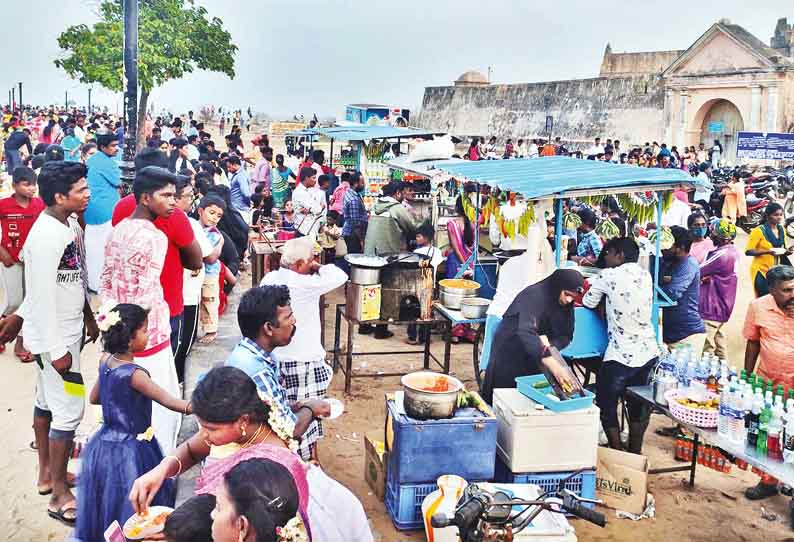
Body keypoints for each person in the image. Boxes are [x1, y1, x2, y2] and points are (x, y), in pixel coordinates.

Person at [128, 366, 373, 542]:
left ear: (242, 421)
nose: (203, 435)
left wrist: (177, 533)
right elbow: (192, 449)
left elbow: (229, 528)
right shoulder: (245, 425)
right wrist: (161, 470)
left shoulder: (268, 468)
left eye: (211, 428)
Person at [0, 161, 97, 526]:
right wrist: (57, 352)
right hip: (57, 341)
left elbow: (68, 280)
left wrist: (88, 313)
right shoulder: (45, 237)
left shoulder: (67, 224)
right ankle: (59, 494)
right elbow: (38, 295)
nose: (88, 194)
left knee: (46, 401)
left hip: (69, 330)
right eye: (81, 190)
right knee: (69, 410)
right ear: (59, 196)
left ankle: (46, 475)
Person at [75, 303, 190, 542]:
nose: (148, 336)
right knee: (135, 505)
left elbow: (95, 397)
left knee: (108, 501)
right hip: (132, 449)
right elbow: (167, 400)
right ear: (129, 339)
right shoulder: (135, 374)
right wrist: (195, 407)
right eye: (145, 331)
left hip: (104, 443)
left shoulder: (106, 361)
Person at [102, 165, 182, 455]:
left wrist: (112, 330)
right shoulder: (155, 237)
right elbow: (146, 294)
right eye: (167, 195)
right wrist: (140, 331)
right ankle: (159, 470)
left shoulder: (118, 229)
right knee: (160, 409)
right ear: (146, 198)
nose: (173, 202)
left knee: (128, 407)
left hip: (121, 333)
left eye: (175, 196)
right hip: (149, 336)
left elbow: (106, 283)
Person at [260, 238, 347, 460]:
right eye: (310, 260)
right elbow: (340, 275)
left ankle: (300, 458)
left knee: (284, 411)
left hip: (277, 357)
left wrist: (310, 263)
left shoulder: (270, 278)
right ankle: (305, 462)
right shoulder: (305, 283)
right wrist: (317, 267)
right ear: (299, 264)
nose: (313, 264)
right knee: (307, 413)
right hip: (302, 360)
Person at [113, 148, 203, 357]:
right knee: (162, 366)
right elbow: (195, 261)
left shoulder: (120, 208)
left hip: (130, 304)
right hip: (166, 304)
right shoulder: (174, 214)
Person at [583, 237, 660, 453]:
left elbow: (589, 301)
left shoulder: (608, 275)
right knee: (638, 405)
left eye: (608, 253)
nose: (605, 258)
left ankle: (617, 450)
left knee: (606, 403)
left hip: (621, 354)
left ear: (620, 255)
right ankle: (635, 452)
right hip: (648, 351)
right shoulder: (645, 274)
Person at [481, 269, 584, 404]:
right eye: (566, 294)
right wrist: (550, 361)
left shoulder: (566, 305)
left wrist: (550, 345)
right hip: (510, 347)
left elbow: (566, 336)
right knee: (504, 397)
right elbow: (525, 331)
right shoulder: (533, 295)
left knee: (528, 399)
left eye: (573, 297)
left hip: (536, 353)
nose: (568, 300)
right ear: (557, 287)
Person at [743, 265, 794, 500]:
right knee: (770, 435)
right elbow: (753, 342)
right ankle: (768, 481)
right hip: (769, 385)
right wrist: (748, 377)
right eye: (786, 290)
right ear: (771, 290)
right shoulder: (758, 307)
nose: (793, 294)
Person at [0, 166, 45, 362]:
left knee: (30, 302)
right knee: (14, 301)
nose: (32, 188)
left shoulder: (39, 205)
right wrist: (2, 253)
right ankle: (3, 332)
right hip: (10, 259)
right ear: (15, 185)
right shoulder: (3, 205)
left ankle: (21, 343)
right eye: (27, 184)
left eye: (34, 184)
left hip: (34, 260)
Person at [174, 178, 213, 384]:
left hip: (174, 291)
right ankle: (178, 380)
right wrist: (220, 241)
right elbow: (209, 256)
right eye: (189, 196)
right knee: (184, 341)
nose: (193, 199)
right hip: (187, 292)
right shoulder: (188, 223)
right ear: (175, 198)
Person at [84, 133, 121, 293]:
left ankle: (93, 284)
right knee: (105, 250)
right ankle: (102, 286)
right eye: (113, 146)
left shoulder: (92, 160)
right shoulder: (109, 164)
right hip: (107, 209)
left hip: (91, 208)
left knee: (93, 250)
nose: (116, 148)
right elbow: (120, 181)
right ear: (103, 147)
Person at [659, 225, 706, 351]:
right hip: (670, 335)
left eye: (667, 246)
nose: (662, 249)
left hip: (687, 336)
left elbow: (671, 293)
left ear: (681, 248)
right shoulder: (666, 262)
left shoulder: (689, 265)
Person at [699, 219, 739, 358]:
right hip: (724, 305)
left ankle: (708, 375)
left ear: (719, 237)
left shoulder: (721, 255)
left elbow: (698, 270)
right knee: (719, 341)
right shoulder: (732, 251)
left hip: (713, 305)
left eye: (712, 234)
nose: (710, 236)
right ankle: (723, 372)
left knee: (707, 345)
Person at [407, 222, 443, 345]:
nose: (416, 238)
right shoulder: (437, 251)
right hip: (429, 285)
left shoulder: (417, 252)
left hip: (417, 285)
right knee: (426, 312)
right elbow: (439, 266)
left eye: (419, 236)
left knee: (413, 311)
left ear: (426, 238)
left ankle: (412, 337)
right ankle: (424, 338)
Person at [746, 202, 792, 297]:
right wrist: (768, 252)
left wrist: (788, 251)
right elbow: (748, 251)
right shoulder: (758, 231)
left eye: (780, 215)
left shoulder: (781, 229)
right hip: (761, 271)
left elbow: (782, 249)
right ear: (768, 216)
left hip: (776, 272)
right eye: (775, 215)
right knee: (763, 299)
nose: (779, 217)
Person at [197, 195, 226, 345]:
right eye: (212, 213)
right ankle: (204, 326)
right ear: (200, 211)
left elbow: (209, 257)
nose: (215, 218)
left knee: (209, 300)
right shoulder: (194, 227)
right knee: (200, 300)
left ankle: (211, 330)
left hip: (209, 273)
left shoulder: (214, 233)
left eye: (219, 216)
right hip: (197, 273)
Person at [364, 181, 420, 256]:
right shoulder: (397, 207)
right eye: (403, 193)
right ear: (398, 193)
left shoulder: (375, 206)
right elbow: (413, 227)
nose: (403, 198)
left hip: (369, 253)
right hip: (387, 257)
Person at [445, 191, 476, 280]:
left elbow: (456, 249)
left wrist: (464, 266)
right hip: (471, 263)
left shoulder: (452, 224)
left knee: (454, 290)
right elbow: (474, 247)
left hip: (456, 264)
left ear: (457, 208)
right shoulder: (474, 223)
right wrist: (469, 266)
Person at [292, 167, 327, 239]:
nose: (315, 181)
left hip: (309, 229)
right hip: (304, 230)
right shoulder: (300, 192)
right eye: (313, 178)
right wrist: (320, 207)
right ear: (306, 178)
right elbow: (317, 209)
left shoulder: (308, 191)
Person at [342, 172, 368, 254]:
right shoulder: (354, 199)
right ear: (356, 184)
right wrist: (361, 240)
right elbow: (355, 223)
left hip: (350, 233)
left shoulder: (350, 193)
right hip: (353, 235)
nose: (364, 185)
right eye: (362, 182)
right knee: (355, 257)